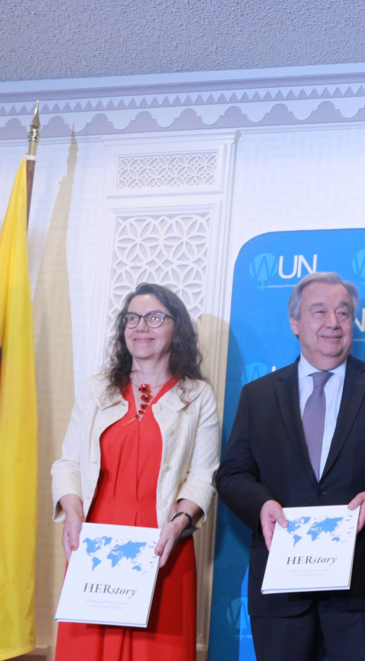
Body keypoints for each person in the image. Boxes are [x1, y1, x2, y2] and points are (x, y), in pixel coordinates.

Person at [215, 272, 365, 661]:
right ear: (295, 322)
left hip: (364, 585)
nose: (333, 322)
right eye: (319, 311)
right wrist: (261, 504)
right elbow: (231, 474)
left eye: (343, 312)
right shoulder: (257, 395)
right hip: (282, 587)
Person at [52, 283, 220, 660]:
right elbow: (68, 463)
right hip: (96, 547)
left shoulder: (197, 396)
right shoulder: (96, 390)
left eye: (155, 317)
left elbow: (202, 476)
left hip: (163, 544)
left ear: (177, 328)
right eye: (132, 318)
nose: (141, 326)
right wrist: (72, 512)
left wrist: (179, 523)